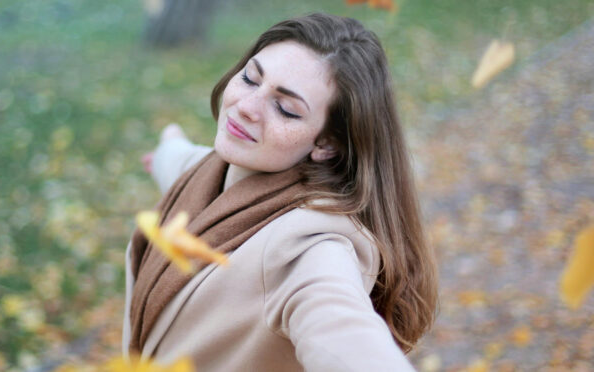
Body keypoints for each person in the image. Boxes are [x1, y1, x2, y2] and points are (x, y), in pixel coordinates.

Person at [124, 13, 437, 371]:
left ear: (327, 144)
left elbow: (343, 332)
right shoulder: (207, 171)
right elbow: (181, 162)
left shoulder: (309, 246)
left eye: (285, 109)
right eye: (250, 78)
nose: (246, 107)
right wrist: (168, 145)